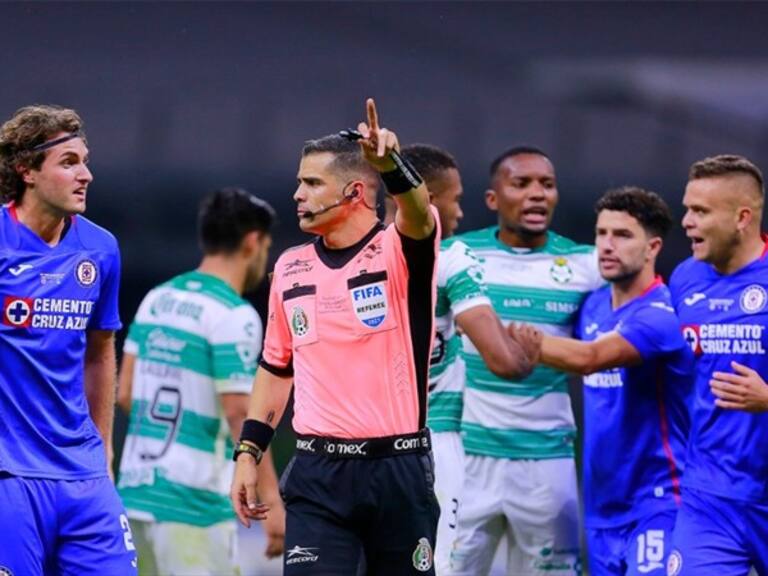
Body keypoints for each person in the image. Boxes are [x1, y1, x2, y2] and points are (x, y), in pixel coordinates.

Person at [230, 99, 440, 575]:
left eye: (311, 183)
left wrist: (392, 164)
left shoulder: (398, 251)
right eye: (299, 182)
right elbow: (275, 368)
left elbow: (419, 211)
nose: (297, 195)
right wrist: (247, 453)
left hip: (398, 471)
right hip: (317, 472)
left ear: (355, 192)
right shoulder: (290, 267)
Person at [514, 187, 693, 575]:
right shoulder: (593, 304)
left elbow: (589, 358)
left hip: (657, 502)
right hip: (599, 507)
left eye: (623, 235)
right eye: (601, 234)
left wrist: (506, 334)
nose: (607, 246)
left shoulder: (659, 315)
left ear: (653, 247)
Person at [450, 146, 603, 576]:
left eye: (547, 184)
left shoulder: (585, 265)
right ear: (493, 199)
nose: (537, 194)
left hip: (547, 463)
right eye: (522, 184)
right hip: (468, 458)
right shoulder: (457, 256)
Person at [116, 187, 284, 574]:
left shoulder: (157, 298)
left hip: (135, 496)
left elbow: (125, 394)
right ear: (253, 241)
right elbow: (242, 413)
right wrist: (272, 502)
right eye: (267, 245)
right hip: (194, 506)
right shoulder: (233, 314)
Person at [0, 105, 137, 574]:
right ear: (27, 171)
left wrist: (104, 450)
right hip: (11, 478)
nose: (87, 175)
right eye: (69, 162)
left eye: (85, 160)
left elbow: (100, 351)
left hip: (84, 476)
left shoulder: (100, 249)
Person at [391, 144, 540, 574]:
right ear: (430, 202)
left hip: (360, 449)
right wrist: (523, 354)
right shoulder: (452, 257)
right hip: (432, 444)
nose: (459, 213)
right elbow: (502, 361)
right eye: (455, 200)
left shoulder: (357, 258)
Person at [667, 155, 768, 576]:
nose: (686, 221)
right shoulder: (685, 278)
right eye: (687, 208)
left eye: (701, 211)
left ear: (742, 217)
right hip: (711, 495)